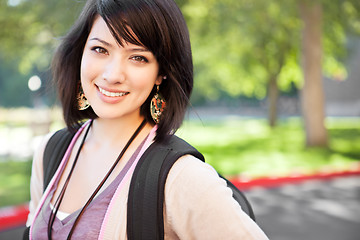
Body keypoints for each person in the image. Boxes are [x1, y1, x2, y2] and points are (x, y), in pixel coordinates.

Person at [25, 0, 269, 239]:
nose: (112, 75)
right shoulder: (51, 152)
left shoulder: (181, 177)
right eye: (100, 49)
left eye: (138, 57)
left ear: (161, 73)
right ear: (81, 52)